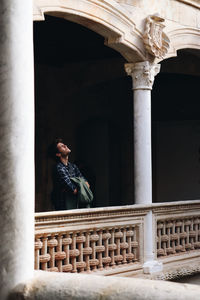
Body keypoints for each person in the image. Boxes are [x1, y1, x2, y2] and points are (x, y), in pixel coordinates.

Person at [48, 138, 90, 210]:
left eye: (64, 144)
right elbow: (73, 190)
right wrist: (80, 185)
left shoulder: (73, 166)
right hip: (64, 207)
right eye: (62, 146)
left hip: (76, 205)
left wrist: (79, 185)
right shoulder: (58, 168)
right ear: (58, 154)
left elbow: (87, 184)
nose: (65, 146)